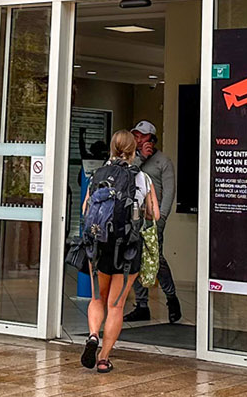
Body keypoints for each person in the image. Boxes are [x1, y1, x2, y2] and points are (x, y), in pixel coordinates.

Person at [80, 129, 158, 374]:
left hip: (99, 248)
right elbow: (154, 214)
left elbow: (85, 210)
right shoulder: (143, 178)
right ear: (133, 151)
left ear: (112, 149)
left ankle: (93, 335)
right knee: (116, 306)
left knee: (97, 299)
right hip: (128, 251)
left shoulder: (97, 175)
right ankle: (103, 358)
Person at [125, 120, 180, 324]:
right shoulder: (131, 159)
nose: (138, 139)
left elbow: (169, 192)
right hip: (133, 218)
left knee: (156, 261)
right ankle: (141, 305)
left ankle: (171, 298)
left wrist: (162, 218)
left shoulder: (163, 162)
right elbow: (127, 177)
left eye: (142, 136)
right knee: (134, 258)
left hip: (153, 219)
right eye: (136, 135)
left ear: (152, 139)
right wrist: (140, 158)